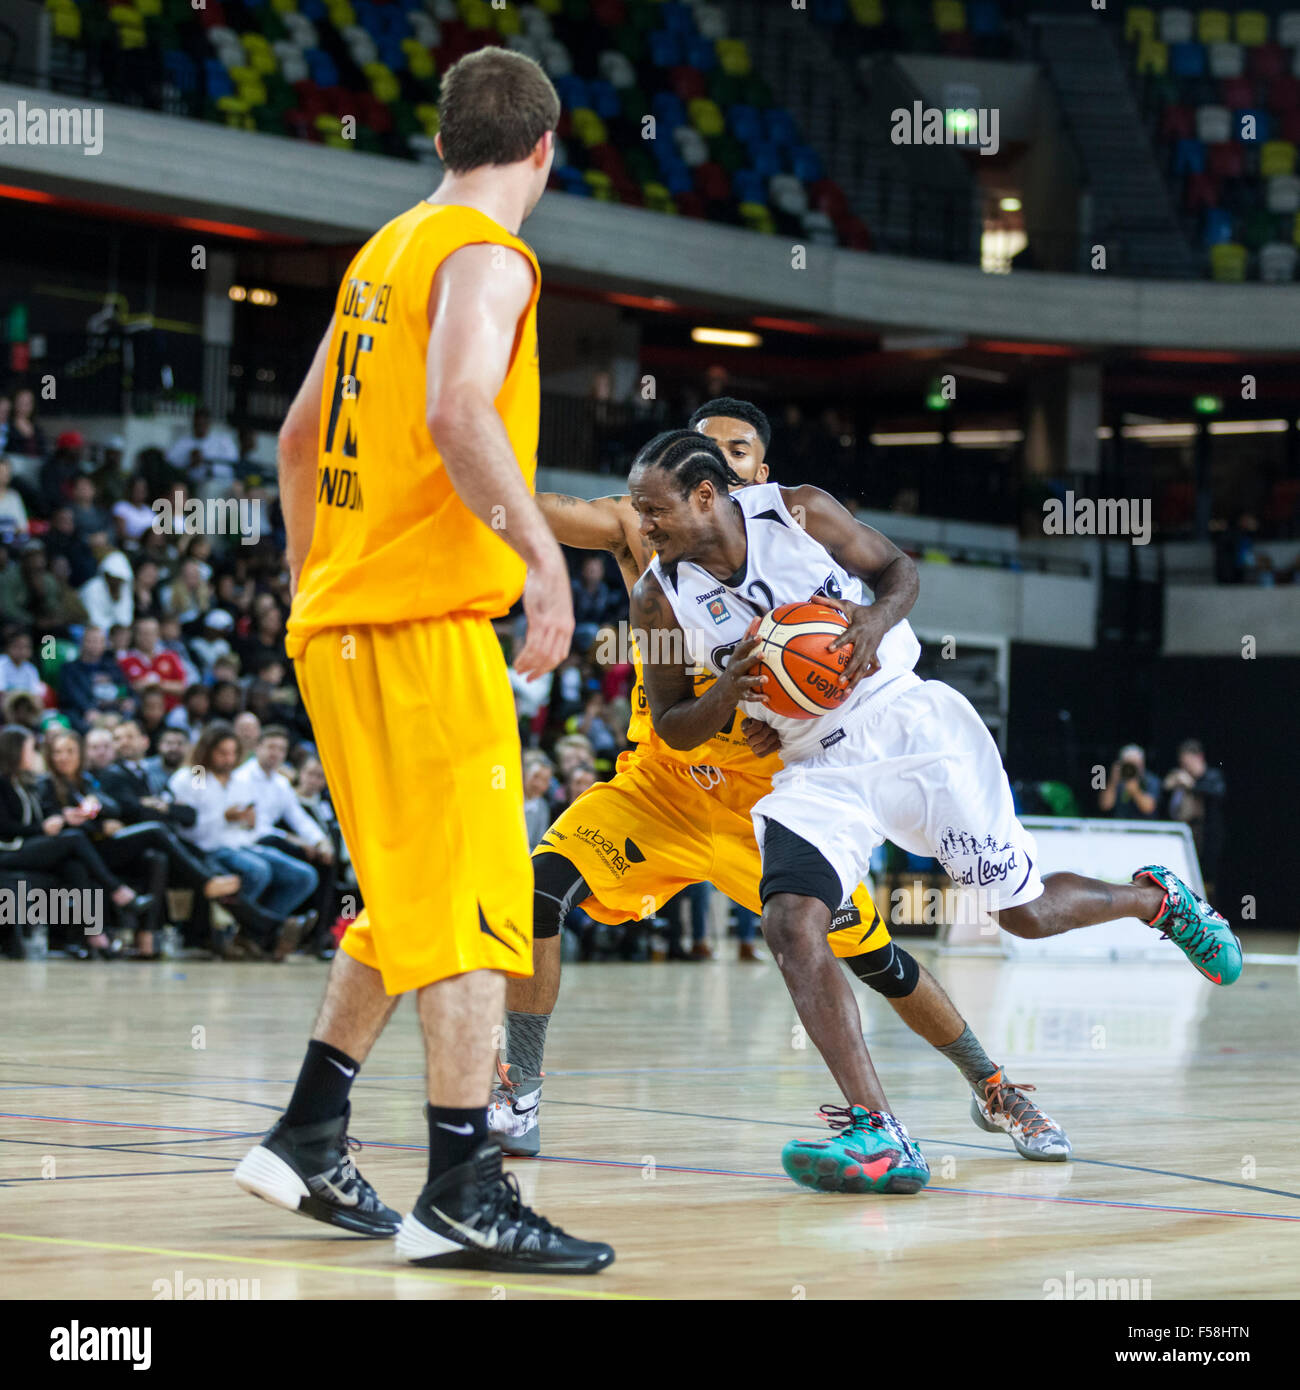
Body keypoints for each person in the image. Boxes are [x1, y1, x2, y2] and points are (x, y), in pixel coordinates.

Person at [624, 428, 1241, 1191]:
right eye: (635, 512)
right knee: (789, 921)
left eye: (652, 511)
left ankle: (1158, 901)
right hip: (815, 766)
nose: (641, 526)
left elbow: (898, 571)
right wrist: (728, 691)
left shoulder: (798, 514)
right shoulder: (658, 594)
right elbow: (670, 723)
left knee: (1024, 916)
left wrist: (873, 626)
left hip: (910, 724)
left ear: (706, 495)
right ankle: (880, 1131)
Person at [234, 47, 612, 1274]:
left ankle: (308, 1129)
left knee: (407, 892)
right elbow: (458, 409)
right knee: (472, 908)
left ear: (445, 142)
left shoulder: (382, 249)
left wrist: (313, 582)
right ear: (544, 151)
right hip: (418, 627)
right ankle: (461, 1186)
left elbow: (298, 437)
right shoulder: (490, 257)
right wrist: (544, 562)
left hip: (343, 620)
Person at [490, 400, 1070, 1168]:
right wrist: (466, 464)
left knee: (880, 959)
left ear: (752, 476)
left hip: (768, 802)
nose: (718, 456)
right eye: (706, 445)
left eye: (736, 448)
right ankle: (518, 1092)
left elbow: (881, 596)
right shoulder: (649, 536)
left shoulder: (792, 540)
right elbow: (550, 511)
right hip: (661, 787)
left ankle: (994, 1086)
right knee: (536, 890)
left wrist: (815, 691)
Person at [167, 722, 316, 958]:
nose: (228, 759)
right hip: (208, 847)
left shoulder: (239, 779)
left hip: (243, 843)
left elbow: (254, 824)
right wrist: (224, 817)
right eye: (222, 753)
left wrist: (249, 820)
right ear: (207, 750)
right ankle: (252, 932)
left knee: (304, 876)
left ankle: (251, 936)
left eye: (233, 753)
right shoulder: (196, 774)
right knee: (258, 871)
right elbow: (191, 826)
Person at [0, 724, 148, 956]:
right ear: (15, 751)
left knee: (75, 865)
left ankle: (94, 936)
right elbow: (5, 827)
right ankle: (117, 891)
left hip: (27, 844)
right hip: (9, 851)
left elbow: (111, 806)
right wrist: (44, 827)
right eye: (30, 749)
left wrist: (65, 819)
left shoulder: (23, 782)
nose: (34, 754)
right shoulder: (7, 782)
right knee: (74, 839)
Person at [1163, 739, 1226, 897]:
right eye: (1183, 762)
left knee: (1207, 882)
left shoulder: (1211, 776)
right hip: (1182, 836)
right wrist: (1168, 786)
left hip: (1207, 839)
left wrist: (1191, 784)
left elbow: (1218, 793)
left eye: (1189, 761)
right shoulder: (1180, 777)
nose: (1185, 766)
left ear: (1199, 757)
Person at [59, 626, 131, 727]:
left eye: (99, 641)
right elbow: (72, 697)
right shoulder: (69, 669)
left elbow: (126, 689)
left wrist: (128, 700)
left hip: (113, 711)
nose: (95, 645)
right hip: (83, 714)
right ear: (82, 643)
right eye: (91, 641)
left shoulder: (113, 666)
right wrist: (87, 709)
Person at [118, 617, 188, 711]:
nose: (147, 637)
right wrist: (132, 688)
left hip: (172, 710)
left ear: (158, 635)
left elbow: (182, 687)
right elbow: (120, 690)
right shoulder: (124, 660)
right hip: (138, 711)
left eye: (151, 633)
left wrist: (156, 684)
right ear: (135, 635)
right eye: (143, 634)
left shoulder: (170, 656)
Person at [1098, 743, 1160, 819]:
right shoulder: (1117, 779)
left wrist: (1135, 791)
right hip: (1120, 825)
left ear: (1142, 764)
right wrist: (1113, 782)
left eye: (1135, 764)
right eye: (1129, 764)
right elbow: (1105, 805)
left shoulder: (1151, 780)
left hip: (1144, 827)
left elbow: (1149, 808)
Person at [80, 550, 135, 633]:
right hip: (92, 631)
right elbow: (94, 619)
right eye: (114, 578)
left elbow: (126, 618)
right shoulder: (92, 588)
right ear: (106, 575)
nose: (116, 582)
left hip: (116, 634)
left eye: (119, 579)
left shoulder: (123, 588)